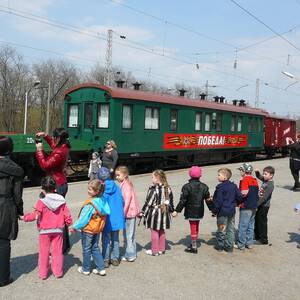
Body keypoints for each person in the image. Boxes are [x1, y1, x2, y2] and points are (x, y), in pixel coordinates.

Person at [21, 176, 72, 280]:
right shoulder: (62, 201)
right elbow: (67, 215)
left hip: (44, 231)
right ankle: (58, 272)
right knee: (57, 252)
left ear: (43, 189)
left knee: (44, 252)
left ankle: (43, 274)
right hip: (58, 230)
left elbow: (36, 215)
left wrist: (24, 217)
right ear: (55, 188)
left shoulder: (41, 202)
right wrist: (69, 222)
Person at [35, 128, 71, 254]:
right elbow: (54, 146)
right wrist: (45, 136)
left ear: (59, 138)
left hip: (57, 184)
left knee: (58, 217)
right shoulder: (64, 146)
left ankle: (61, 245)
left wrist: (40, 151)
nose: (53, 139)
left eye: (54, 137)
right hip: (61, 181)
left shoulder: (59, 152)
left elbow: (45, 165)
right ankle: (63, 244)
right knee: (60, 215)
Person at [71, 180, 110, 276]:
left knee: (86, 248)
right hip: (97, 229)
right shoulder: (103, 200)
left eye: (90, 189)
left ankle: (86, 268)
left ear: (97, 191)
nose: (88, 191)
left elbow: (83, 219)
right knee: (95, 247)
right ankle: (101, 268)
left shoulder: (90, 203)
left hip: (88, 229)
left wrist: (75, 226)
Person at [0, 136, 24, 287]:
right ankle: (3, 278)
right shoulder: (16, 170)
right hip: (6, 206)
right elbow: (17, 195)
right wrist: (19, 210)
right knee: (3, 242)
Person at [172, 166, 211, 254]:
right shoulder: (204, 186)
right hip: (200, 211)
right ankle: (194, 242)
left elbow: (183, 201)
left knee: (193, 227)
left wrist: (176, 211)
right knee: (196, 226)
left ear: (190, 175)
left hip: (190, 211)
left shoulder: (186, 187)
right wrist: (212, 209)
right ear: (200, 175)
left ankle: (194, 247)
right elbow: (208, 200)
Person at [140, 169, 174, 256]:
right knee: (162, 230)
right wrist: (172, 211)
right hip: (164, 212)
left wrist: (143, 212)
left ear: (157, 178)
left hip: (155, 213)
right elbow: (170, 201)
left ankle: (154, 250)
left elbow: (148, 203)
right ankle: (161, 249)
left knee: (154, 231)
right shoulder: (167, 188)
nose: (151, 179)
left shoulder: (154, 189)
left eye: (152, 177)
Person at [97, 167, 125, 268]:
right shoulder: (116, 187)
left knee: (105, 240)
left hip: (107, 219)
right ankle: (115, 258)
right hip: (117, 218)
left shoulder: (101, 189)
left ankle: (105, 259)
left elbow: (100, 205)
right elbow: (122, 201)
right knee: (116, 239)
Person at [211, 168, 243, 252]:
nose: (217, 176)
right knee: (230, 229)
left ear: (225, 177)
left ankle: (220, 246)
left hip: (222, 212)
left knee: (221, 229)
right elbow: (240, 196)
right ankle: (229, 247)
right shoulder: (234, 186)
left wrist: (214, 211)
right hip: (231, 211)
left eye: (219, 175)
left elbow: (218, 201)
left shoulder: (220, 187)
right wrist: (236, 203)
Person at [115, 166, 140, 262]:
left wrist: (122, 214)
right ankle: (131, 252)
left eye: (118, 175)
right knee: (130, 234)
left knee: (128, 235)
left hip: (129, 214)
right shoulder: (125, 184)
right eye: (116, 175)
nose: (116, 177)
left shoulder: (126, 186)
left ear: (125, 175)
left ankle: (130, 255)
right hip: (130, 213)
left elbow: (126, 201)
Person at [236, 163, 259, 250]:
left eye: (240, 170)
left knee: (243, 225)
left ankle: (241, 244)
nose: (240, 172)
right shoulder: (254, 180)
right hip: (253, 206)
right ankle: (249, 243)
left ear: (244, 171)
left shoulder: (245, 180)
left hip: (246, 206)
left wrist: (237, 195)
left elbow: (244, 193)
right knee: (250, 225)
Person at [254, 166, 275, 245]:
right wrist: (257, 172)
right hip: (260, 205)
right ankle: (257, 236)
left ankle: (263, 239)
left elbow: (264, 198)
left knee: (262, 222)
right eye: (264, 173)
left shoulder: (270, 185)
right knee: (257, 220)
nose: (264, 175)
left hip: (264, 206)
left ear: (271, 175)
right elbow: (259, 176)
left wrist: (256, 205)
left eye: (265, 174)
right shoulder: (266, 180)